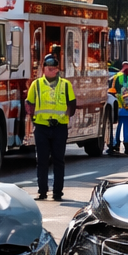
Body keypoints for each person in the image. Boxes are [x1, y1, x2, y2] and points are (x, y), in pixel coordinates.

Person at [25, 54, 76, 201]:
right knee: (42, 161)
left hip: (59, 127)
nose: (52, 71)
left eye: (54, 69)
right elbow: (29, 104)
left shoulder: (65, 85)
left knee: (58, 160)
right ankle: (42, 191)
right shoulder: (37, 84)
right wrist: (34, 120)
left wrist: (65, 118)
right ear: (44, 69)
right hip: (41, 127)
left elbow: (72, 104)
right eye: (49, 68)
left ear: (58, 69)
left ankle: (57, 193)